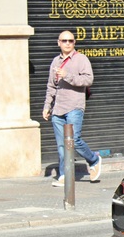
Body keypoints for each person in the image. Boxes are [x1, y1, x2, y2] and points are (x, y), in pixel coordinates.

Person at [43, 31, 102, 187]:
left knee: (74, 140)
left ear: (74, 42)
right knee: (62, 145)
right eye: (64, 40)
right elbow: (51, 86)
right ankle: (64, 175)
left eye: (70, 40)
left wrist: (67, 75)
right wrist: (47, 106)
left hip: (75, 106)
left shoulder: (81, 59)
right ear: (59, 43)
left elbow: (89, 79)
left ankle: (94, 159)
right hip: (58, 109)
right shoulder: (55, 61)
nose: (67, 43)